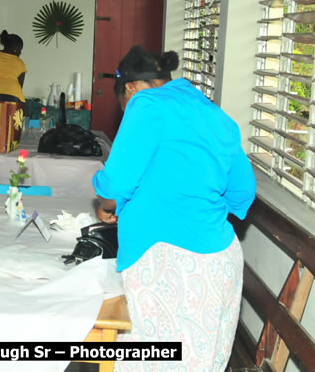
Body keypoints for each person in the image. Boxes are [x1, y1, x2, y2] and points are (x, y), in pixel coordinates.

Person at [91, 46, 255, 372]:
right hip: (221, 262)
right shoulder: (216, 115)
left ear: (130, 88)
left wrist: (108, 206)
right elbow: (242, 194)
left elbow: (115, 184)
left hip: (169, 265)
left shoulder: (146, 104)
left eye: (123, 103)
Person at [0, 30, 26, 103]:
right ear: (13, 48)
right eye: (19, 50)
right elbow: (20, 86)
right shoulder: (20, 62)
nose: (20, 52)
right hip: (14, 94)